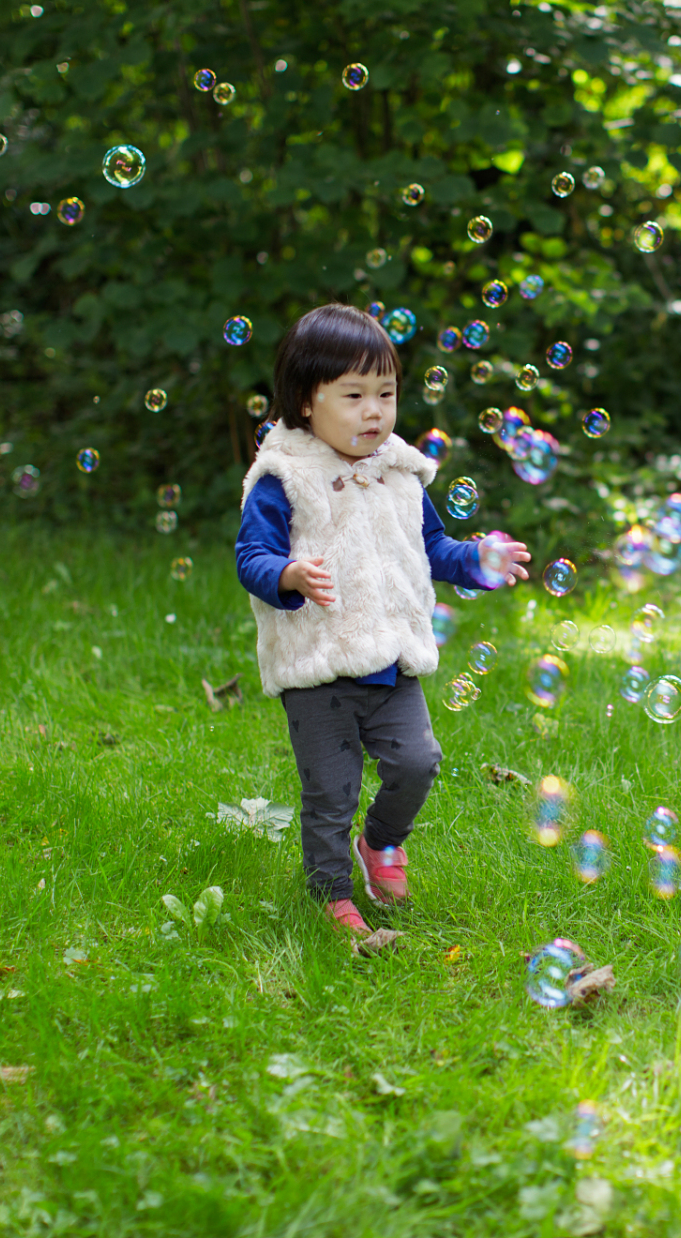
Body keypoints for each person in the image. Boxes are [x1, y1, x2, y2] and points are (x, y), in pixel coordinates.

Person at [235, 302, 530, 950]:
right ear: (306, 402)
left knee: (419, 762)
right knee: (330, 792)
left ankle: (381, 843)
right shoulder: (285, 478)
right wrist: (287, 574)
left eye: (386, 394)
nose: (374, 411)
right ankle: (331, 893)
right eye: (354, 395)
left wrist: (476, 561)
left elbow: (431, 547)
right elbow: (250, 556)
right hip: (318, 665)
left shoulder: (399, 474)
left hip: (392, 659)